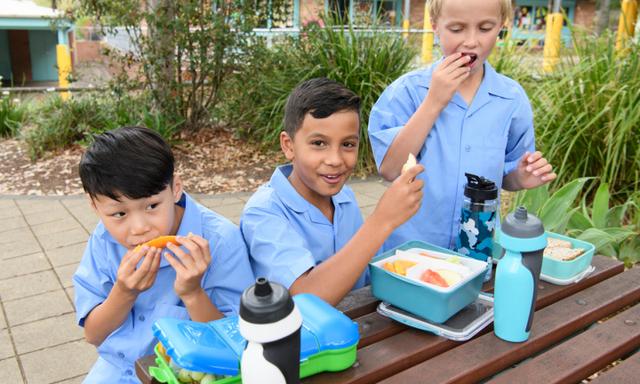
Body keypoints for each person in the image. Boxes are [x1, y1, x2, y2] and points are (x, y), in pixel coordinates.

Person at [368, 0, 557, 252]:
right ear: (435, 25)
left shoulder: (511, 99)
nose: (471, 41)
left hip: (478, 251)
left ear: (501, 25)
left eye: (485, 28)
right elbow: (391, 168)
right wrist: (434, 102)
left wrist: (520, 177)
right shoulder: (407, 92)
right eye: (457, 29)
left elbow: (506, 177)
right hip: (410, 251)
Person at [73, 126, 254, 383]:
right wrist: (123, 292)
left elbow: (238, 346)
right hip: (117, 368)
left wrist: (193, 293)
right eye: (119, 214)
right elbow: (93, 334)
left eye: (152, 206)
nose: (139, 228)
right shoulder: (103, 240)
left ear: (175, 188)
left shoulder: (220, 240)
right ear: (95, 206)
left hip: (186, 373)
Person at [241, 78, 424, 306]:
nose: (335, 160)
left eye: (348, 144)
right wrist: (382, 220)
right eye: (319, 143)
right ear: (288, 145)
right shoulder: (264, 213)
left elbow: (365, 277)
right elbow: (306, 298)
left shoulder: (343, 197)